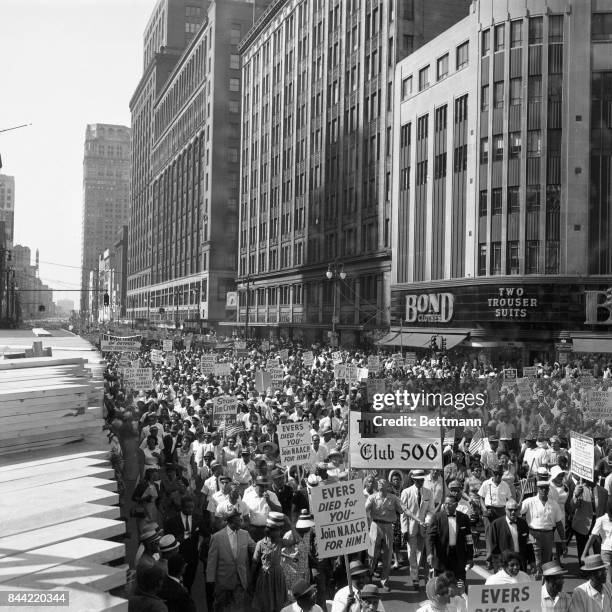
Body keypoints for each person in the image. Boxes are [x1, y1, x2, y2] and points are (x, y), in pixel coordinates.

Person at [206, 508, 255, 612]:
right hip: (223, 582)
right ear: (231, 521)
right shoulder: (217, 537)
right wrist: (210, 582)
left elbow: (255, 548)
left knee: (238, 608)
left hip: (240, 580)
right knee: (221, 607)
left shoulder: (245, 534)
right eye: (239, 520)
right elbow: (211, 562)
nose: (241, 522)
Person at [365, 478, 410, 591]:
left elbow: (404, 510)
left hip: (389, 527)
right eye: (379, 482)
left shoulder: (393, 498)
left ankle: (384, 580)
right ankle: (369, 577)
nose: (380, 483)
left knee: (388, 554)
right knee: (372, 553)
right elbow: (363, 509)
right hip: (375, 526)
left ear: (387, 486)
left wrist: (417, 519)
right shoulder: (372, 498)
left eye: (383, 482)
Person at [250, 512, 293, 612]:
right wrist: (251, 580)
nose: (279, 533)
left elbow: (297, 539)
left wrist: (290, 524)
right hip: (265, 577)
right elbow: (254, 563)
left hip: (277, 577)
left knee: (278, 604)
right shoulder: (260, 544)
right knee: (265, 604)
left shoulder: (280, 542)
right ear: (270, 531)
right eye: (277, 531)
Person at [520, 480, 565, 576]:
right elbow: (517, 512)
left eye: (546, 488)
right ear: (538, 489)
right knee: (537, 563)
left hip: (548, 535)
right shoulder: (529, 501)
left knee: (547, 564)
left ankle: (544, 584)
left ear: (549, 489)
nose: (544, 490)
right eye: (541, 488)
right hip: (533, 535)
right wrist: (518, 505)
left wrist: (563, 541)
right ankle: (537, 582)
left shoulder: (554, 504)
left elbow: (559, 524)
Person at [163, 495, 206, 593]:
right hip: (178, 556)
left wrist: (201, 548)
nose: (190, 509)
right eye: (187, 507)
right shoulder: (171, 521)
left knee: (189, 582)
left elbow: (206, 534)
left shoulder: (198, 519)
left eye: (192, 507)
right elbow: (167, 537)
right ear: (182, 507)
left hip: (193, 557)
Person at [400, 469, 435, 589]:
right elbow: (403, 512)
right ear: (413, 479)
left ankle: (421, 574)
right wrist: (404, 530)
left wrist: (427, 521)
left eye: (422, 480)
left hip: (424, 527)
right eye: (418, 480)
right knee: (411, 552)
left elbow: (431, 510)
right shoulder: (406, 492)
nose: (420, 482)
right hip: (411, 527)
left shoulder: (428, 492)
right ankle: (414, 577)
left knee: (422, 552)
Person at [426, 495, 473, 583]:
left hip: (458, 557)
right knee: (442, 586)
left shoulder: (464, 518)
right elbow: (430, 537)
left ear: (456, 505)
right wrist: (430, 553)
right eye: (445, 503)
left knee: (459, 584)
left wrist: (470, 557)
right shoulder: (436, 517)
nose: (447, 506)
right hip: (442, 557)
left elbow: (469, 539)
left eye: (449, 504)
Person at [478, 468, 513, 569]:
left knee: (501, 536)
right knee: (489, 536)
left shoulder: (505, 485)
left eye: (500, 475)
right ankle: (489, 559)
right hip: (489, 510)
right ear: (493, 474)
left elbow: (509, 499)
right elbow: (481, 498)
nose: (498, 477)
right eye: (496, 474)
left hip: (501, 510)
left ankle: (502, 559)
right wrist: (484, 509)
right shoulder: (486, 483)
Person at [488, 499, 532, 570]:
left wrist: (532, 561)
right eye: (510, 510)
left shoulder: (523, 523)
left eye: (515, 510)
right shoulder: (496, 524)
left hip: (520, 562)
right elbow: (494, 547)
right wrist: (498, 565)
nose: (513, 512)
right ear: (505, 510)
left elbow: (528, 543)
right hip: (504, 563)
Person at [581, 498, 612, 583]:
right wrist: (583, 555)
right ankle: (607, 595)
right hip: (607, 552)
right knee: (608, 580)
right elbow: (592, 538)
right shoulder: (601, 520)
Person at [243, 475, 283, 542]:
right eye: (261, 486)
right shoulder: (248, 496)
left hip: (267, 530)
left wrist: (269, 501)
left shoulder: (272, 495)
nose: (264, 489)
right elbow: (243, 511)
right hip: (253, 529)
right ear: (255, 486)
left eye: (266, 486)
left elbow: (279, 510)